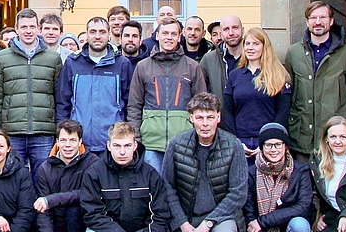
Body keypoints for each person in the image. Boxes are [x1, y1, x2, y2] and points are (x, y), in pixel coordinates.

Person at [161, 92, 247, 232]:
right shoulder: (177, 144)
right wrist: (182, 224)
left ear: (218, 117)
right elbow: (167, 188)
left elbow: (238, 193)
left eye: (210, 117)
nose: (205, 123)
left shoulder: (233, 145)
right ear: (191, 118)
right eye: (199, 117)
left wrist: (209, 223)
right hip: (190, 220)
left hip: (222, 218)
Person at [79, 121, 174, 232]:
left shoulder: (150, 174)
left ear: (135, 145)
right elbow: (92, 214)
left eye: (127, 146)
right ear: (109, 146)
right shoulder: (95, 173)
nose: (122, 152)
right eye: (117, 146)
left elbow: (160, 215)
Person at [0, 8, 63, 185]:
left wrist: (57, 129)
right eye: (24, 27)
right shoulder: (2, 58)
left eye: (32, 27)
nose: (28, 31)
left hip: (43, 131)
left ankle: (41, 205)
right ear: (16, 29)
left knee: (43, 180)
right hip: (12, 131)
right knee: (13, 180)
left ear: (38, 28)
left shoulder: (53, 58)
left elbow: (59, 96)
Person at [243, 123, 313, 232]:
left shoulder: (300, 171)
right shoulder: (251, 174)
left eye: (278, 144)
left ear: (285, 146)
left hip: (289, 231)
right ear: (261, 148)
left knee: (300, 225)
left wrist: (264, 221)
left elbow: (303, 207)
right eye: (268, 145)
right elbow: (249, 216)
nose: (273, 149)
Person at [127, 18, 206, 173]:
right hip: (151, 143)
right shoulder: (143, 67)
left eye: (173, 34)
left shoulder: (192, 67)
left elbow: (201, 106)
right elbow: (134, 106)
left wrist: (197, 137)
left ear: (179, 37)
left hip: (184, 142)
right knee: (154, 186)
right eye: (165, 33)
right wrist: (136, 138)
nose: (169, 37)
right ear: (157, 35)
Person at [285, 1, 346, 159]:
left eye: (323, 17)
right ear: (307, 22)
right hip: (302, 137)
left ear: (331, 21)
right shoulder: (294, 53)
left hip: (335, 137)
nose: (318, 22)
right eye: (313, 18)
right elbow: (290, 88)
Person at [56, 17, 134, 156]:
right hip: (79, 142)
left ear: (109, 34)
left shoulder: (122, 64)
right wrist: (64, 135)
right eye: (93, 32)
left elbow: (130, 104)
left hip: (113, 142)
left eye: (102, 32)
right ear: (87, 34)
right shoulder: (73, 63)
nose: (97, 36)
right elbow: (63, 103)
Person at [34, 119, 98, 232]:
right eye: (63, 140)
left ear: (80, 141)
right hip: (59, 224)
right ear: (57, 141)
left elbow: (87, 194)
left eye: (72, 140)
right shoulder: (45, 168)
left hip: (84, 223)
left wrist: (52, 199)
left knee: (74, 209)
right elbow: (43, 210)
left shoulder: (92, 162)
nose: (67, 145)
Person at [221, 27, 292, 164]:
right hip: (241, 142)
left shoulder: (279, 75)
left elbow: (283, 112)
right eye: (247, 43)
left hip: (269, 144)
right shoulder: (234, 75)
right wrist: (236, 142)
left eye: (256, 44)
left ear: (265, 47)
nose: (250, 48)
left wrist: (269, 142)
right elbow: (228, 111)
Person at [200, 15, 244, 107]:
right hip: (219, 113)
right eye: (226, 29)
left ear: (242, 30)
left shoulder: (253, 57)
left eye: (235, 27)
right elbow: (199, 92)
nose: (231, 33)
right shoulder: (209, 59)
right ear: (222, 34)